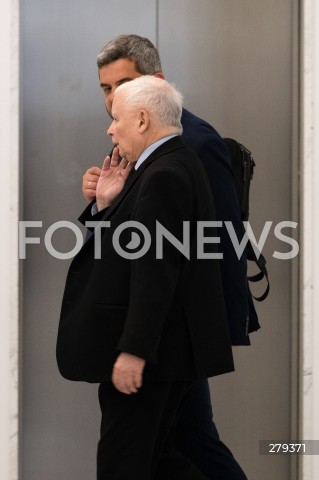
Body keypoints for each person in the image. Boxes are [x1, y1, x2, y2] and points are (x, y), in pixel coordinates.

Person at [82, 34, 260, 480]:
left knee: (184, 444)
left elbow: (217, 235)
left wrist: (216, 327)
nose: (112, 100)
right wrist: (103, 204)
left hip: (174, 331)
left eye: (123, 84)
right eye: (105, 88)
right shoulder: (133, 140)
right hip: (163, 328)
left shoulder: (192, 142)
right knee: (182, 445)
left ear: (156, 82)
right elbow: (134, 237)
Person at [57, 75, 234, 480]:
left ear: (141, 120)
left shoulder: (165, 174)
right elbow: (126, 256)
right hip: (168, 354)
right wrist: (105, 207)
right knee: (164, 462)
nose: (109, 128)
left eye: (116, 118)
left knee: (124, 465)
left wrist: (134, 350)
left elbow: (156, 271)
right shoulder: (165, 165)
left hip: (155, 357)